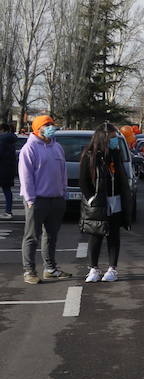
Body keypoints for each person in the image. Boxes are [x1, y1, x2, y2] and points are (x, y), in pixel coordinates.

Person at [18, 114, 71, 285]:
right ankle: (29, 271)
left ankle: (50, 269)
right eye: (47, 125)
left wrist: (64, 193)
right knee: (32, 237)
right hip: (37, 200)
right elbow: (26, 177)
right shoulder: (30, 149)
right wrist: (30, 199)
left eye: (52, 124)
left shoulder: (58, 147)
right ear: (37, 128)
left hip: (56, 199)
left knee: (51, 236)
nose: (51, 127)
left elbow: (63, 172)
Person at [78, 123, 133, 283]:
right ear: (104, 138)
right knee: (96, 234)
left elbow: (121, 177)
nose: (115, 140)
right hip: (98, 202)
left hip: (115, 200)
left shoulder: (116, 154)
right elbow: (83, 181)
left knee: (113, 234)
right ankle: (93, 268)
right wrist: (91, 198)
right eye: (113, 137)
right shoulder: (89, 155)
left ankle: (112, 269)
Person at [0, 122, 19, 220]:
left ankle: (8, 211)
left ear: (2, 130)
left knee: (6, 190)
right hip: (9, 169)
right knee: (7, 190)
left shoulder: (2, 140)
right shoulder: (12, 140)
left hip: (2, 168)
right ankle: (8, 211)